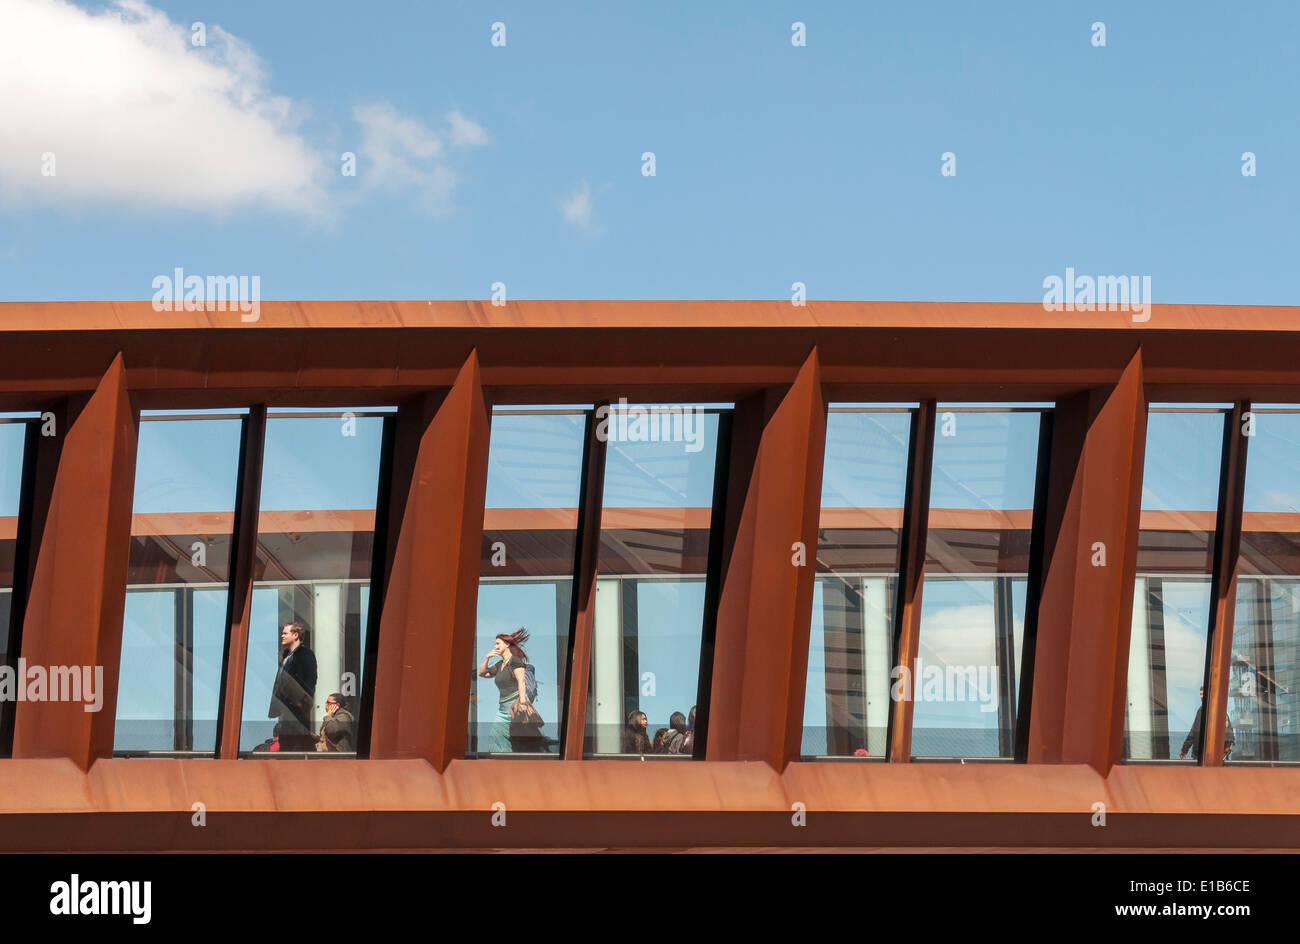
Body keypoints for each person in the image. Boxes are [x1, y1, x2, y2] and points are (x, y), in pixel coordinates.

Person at [478, 628, 542, 753]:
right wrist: (487, 657)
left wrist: (523, 703)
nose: (495, 646)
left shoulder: (515, 661)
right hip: (502, 708)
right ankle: (501, 763)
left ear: (507, 645)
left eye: (498, 643)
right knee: (496, 735)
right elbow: (482, 673)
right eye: (495, 643)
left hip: (515, 704)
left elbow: (521, 681)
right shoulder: (499, 664)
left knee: (521, 735)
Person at [268, 622, 317, 750]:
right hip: (286, 714)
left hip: (296, 714)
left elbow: (309, 681)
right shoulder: (285, 656)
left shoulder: (306, 655)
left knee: (295, 748)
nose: (282, 636)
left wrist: (300, 703)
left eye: (285, 633)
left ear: (295, 635)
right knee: (286, 747)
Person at [1180, 686, 1235, 761]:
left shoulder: (1219, 710)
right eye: (1200, 694)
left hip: (1215, 757)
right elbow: (1193, 732)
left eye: (1203, 694)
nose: (1201, 696)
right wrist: (1184, 749)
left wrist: (1225, 751)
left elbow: (1228, 733)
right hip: (1198, 755)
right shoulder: (1200, 711)